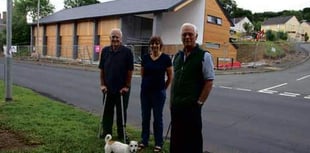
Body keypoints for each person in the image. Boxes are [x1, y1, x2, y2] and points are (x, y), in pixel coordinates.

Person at [170, 23, 215, 153]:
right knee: (176, 141)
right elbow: (174, 81)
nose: (187, 37)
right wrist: (171, 101)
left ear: (196, 36)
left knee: (192, 142)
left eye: (190, 34)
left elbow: (209, 81)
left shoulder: (204, 56)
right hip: (177, 107)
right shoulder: (177, 57)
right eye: (184, 34)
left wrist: (199, 103)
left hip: (191, 108)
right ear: (181, 37)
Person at [138, 36, 173, 152]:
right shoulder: (145, 58)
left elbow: (170, 76)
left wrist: (163, 88)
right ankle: (144, 140)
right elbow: (143, 74)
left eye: (157, 43)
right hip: (145, 93)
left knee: (158, 118)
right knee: (145, 117)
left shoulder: (166, 58)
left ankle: (158, 142)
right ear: (150, 45)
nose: (154, 45)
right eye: (152, 43)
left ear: (160, 45)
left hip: (159, 94)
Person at [98, 28, 134, 142]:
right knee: (107, 112)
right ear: (110, 38)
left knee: (121, 113)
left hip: (122, 89)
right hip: (108, 88)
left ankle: (121, 133)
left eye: (117, 37)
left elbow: (130, 71)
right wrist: (102, 84)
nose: (114, 39)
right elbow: (102, 69)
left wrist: (127, 86)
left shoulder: (127, 52)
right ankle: (106, 133)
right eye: (113, 36)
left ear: (121, 38)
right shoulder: (105, 51)